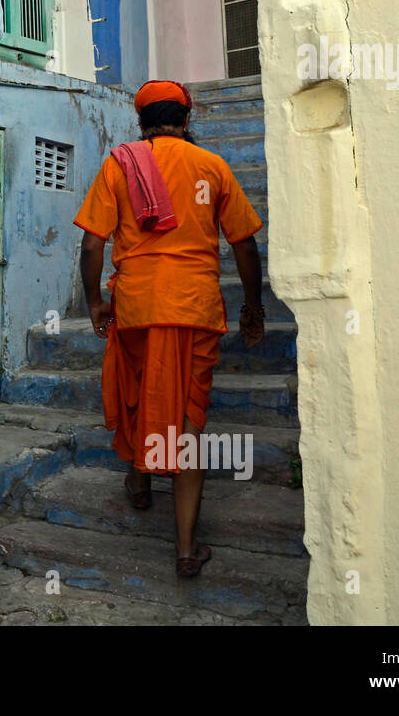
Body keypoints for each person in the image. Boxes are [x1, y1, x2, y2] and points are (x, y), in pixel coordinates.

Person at [74, 80, 265, 578]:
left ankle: (140, 484)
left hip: (137, 306)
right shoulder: (213, 167)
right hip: (194, 306)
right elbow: (244, 245)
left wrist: (95, 301)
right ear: (187, 118)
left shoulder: (122, 163)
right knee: (186, 417)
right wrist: (253, 305)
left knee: (142, 392)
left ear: (140, 122)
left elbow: (93, 245)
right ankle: (185, 549)